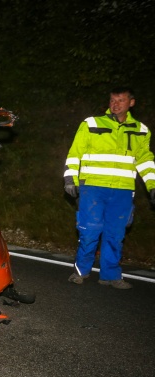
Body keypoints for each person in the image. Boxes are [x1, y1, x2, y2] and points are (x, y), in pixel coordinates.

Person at [64, 87, 155, 289]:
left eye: (121, 100)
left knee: (115, 234)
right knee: (89, 232)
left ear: (131, 103)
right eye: (112, 100)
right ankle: (81, 271)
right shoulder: (92, 123)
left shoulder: (141, 130)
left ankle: (111, 275)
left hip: (123, 190)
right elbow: (75, 153)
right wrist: (70, 179)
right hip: (93, 187)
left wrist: (152, 186)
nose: (115, 104)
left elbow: (145, 161)